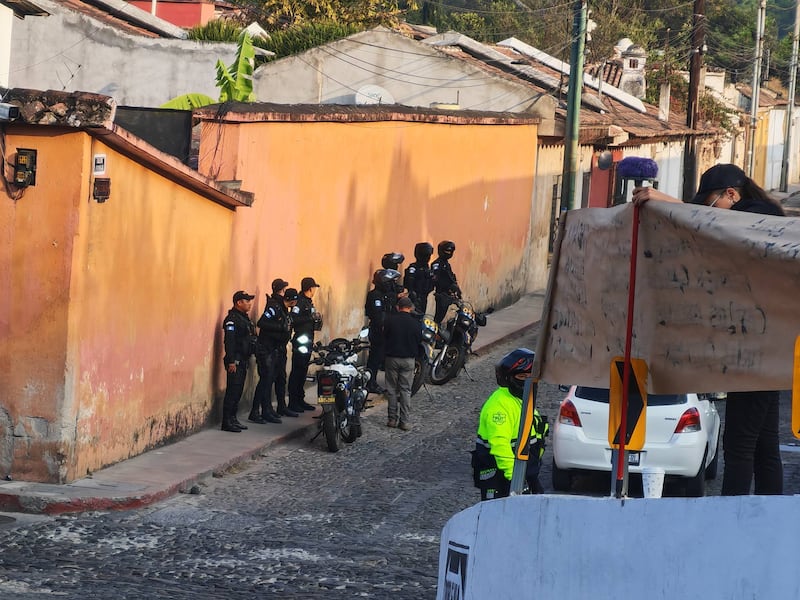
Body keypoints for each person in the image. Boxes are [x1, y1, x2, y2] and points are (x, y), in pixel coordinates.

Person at [633, 163, 784, 495]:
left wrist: (670, 202)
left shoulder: (757, 216)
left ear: (732, 194)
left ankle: (733, 518)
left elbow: (724, 225)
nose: (707, 210)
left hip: (757, 350)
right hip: (767, 347)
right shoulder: (762, 214)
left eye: (711, 201)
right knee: (763, 444)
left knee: (740, 445)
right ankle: (770, 515)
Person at [473, 348, 549, 500]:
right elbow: (500, 445)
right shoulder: (499, 405)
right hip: (503, 479)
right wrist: (516, 481)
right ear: (509, 378)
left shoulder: (522, 400)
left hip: (527, 473)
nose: (528, 381)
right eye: (522, 376)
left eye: (532, 376)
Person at [250, 280, 297, 424]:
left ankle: (268, 409)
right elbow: (262, 323)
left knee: (274, 379)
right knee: (265, 380)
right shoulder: (273, 306)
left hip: (276, 349)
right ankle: (256, 411)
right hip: (267, 349)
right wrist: (281, 327)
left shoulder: (282, 308)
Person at [383, 296, 423, 431]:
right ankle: (404, 421)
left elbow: (385, 336)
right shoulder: (416, 323)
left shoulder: (390, 320)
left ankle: (392, 419)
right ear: (410, 308)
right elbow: (419, 340)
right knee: (405, 390)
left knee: (392, 389)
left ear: (397, 307)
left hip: (392, 358)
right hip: (408, 359)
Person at [221, 290, 257, 433]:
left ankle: (233, 419)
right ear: (238, 303)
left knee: (238, 391)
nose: (249, 304)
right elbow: (229, 342)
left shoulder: (244, 318)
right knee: (232, 391)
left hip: (243, 359)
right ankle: (226, 421)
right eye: (246, 301)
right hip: (234, 360)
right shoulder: (231, 319)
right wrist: (231, 361)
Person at [288, 277, 323, 413]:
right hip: (300, 341)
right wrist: (310, 318)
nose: (315, 290)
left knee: (303, 370)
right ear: (310, 288)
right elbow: (294, 319)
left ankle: (300, 399)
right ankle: (293, 401)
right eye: (314, 288)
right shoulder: (300, 303)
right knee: (297, 371)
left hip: (308, 340)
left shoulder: (308, 302)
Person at [364, 268, 402, 394]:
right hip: (378, 331)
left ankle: (374, 381)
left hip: (386, 331)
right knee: (375, 358)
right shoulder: (375, 296)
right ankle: (370, 383)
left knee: (381, 357)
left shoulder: (386, 295)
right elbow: (378, 315)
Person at [431, 240, 460, 324]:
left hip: (448, 294)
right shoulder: (437, 264)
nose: (449, 253)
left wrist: (456, 289)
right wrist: (449, 287)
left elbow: (451, 278)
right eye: (447, 251)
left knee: (442, 316)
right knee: (439, 317)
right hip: (441, 294)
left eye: (450, 251)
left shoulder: (446, 264)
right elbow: (436, 280)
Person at [404, 242, 435, 314]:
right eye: (426, 256)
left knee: (422, 315)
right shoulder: (413, 268)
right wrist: (412, 293)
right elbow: (409, 283)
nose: (428, 258)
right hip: (415, 298)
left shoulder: (427, 269)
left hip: (425, 296)